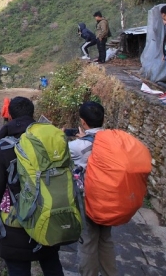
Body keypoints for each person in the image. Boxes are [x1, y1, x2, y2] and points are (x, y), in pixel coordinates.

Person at [0, 97, 64, 276]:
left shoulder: (2, 148)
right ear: (32, 114)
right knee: (52, 266)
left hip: (16, 224)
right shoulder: (52, 142)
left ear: (10, 116)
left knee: (18, 269)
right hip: (50, 216)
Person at [68, 102, 116, 276]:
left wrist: (81, 140)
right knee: (106, 239)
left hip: (90, 201)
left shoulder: (76, 147)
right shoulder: (114, 141)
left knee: (88, 241)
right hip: (110, 198)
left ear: (83, 121)